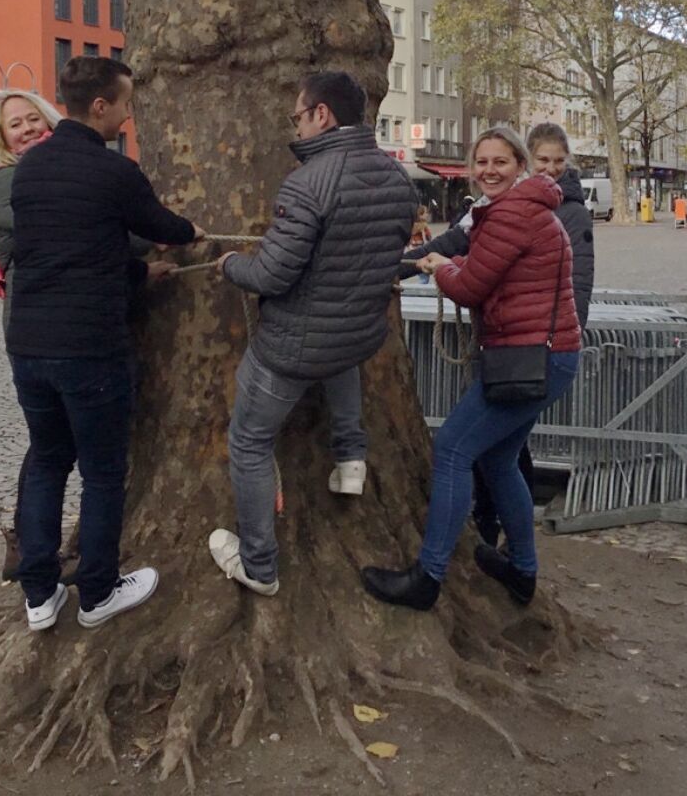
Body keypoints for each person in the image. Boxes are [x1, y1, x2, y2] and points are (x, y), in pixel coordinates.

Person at [5, 57, 202, 632]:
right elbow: (162, 227)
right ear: (99, 106)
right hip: (89, 348)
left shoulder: (29, 171)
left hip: (29, 345)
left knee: (46, 462)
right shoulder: (116, 172)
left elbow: (76, 252)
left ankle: (39, 596)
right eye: (124, 102)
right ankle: (97, 592)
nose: (129, 112)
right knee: (103, 472)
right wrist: (191, 233)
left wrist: (140, 276)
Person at [209, 72, 416, 597]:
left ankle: (259, 566)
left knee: (250, 441)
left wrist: (231, 264)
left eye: (297, 117)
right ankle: (350, 459)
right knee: (339, 353)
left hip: (291, 348)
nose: (296, 128)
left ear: (321, 114)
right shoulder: (400, 181)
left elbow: (272, 275)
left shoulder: (308, 183)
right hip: (356, 335)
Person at [361, 127, 580, 611]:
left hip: (529, 358)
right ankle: (522, 571)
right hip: (544, 356)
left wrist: (439, 267)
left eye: (500, 162)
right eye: (481, 162)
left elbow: (469, 287)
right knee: (499, 460)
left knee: (453, 449)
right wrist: (428, 262)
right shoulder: (522, 209)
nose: (489, 170)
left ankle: (427, 577)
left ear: (520, 165)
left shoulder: (511, 214)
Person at [467, 122, 593, 550]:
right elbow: (458, 240)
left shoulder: (567, 212)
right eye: (545, 161)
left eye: (559, 162)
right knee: (500, 450)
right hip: (505, 345)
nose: (551, 169)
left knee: (473, 448)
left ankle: (487, 542)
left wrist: (561, 337)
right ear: (530, 162)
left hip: (534, 349)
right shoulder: (492, 205)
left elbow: (578, 281)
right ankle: (510, 548)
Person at [0, 88, 62, 582]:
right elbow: (30, 242)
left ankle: (29, 546)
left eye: (34, 119)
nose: (27, 129)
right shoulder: (9, 179)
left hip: (41, 316)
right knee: (51, 442)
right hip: (35, 320)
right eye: (15, 125)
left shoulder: (42, 169)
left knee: (52, 441)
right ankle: (27, 547)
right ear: (1, 138)